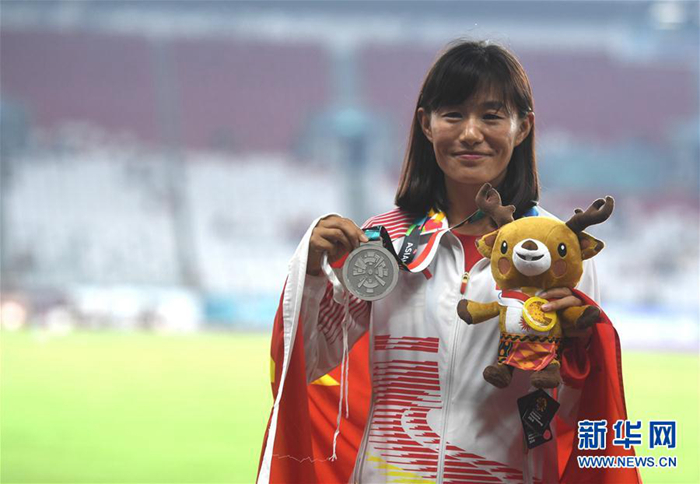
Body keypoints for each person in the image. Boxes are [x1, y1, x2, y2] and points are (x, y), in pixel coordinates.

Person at [258, 40, 639, 484]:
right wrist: (312, 274)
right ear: (426, 123)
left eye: (491, 116)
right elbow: (306, 365)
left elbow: (582, 403)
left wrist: (576, 349)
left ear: (523, 127)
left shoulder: (558, 252)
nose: (471, 133)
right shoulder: (382, 242)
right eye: (453, 114)